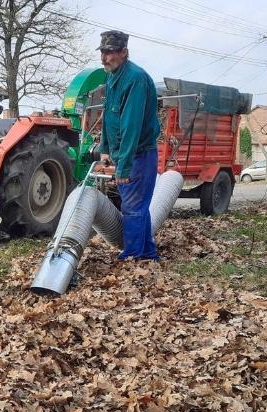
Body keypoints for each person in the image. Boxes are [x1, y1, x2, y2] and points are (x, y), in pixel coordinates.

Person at [98, 30, 161, 261]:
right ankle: (147, 253)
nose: (105, 58)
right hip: (125, 154)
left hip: (139, 155)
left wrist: (123, 167)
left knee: (133, 208)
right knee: (136, 207)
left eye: (110, 53)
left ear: (124, 52)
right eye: (103, 52)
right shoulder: (112, 76)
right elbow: (108, 117)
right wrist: (105, 147)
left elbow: (131, 126)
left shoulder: (135, 78)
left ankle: (134, 258)